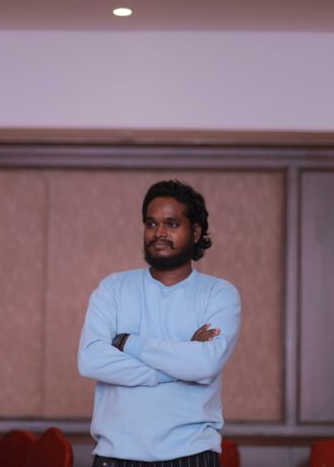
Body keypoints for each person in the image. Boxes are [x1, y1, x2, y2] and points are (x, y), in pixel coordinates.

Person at [77, 179, 242, 467]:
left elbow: (205, 365)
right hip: (116, 456)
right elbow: (90, 361)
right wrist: (182, 360)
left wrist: (128, 342)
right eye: (151, 224)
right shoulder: (113, 288)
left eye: (172, 224)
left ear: (195, 232)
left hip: (191, 455)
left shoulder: (219, 293)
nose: (159, 233)